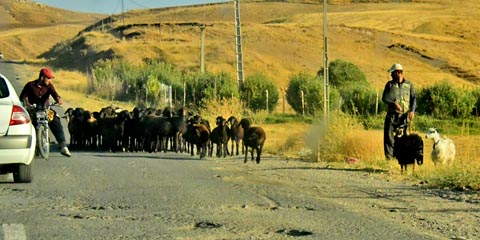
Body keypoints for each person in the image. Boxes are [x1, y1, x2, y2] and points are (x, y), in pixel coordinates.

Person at [20, 68, 71, 157]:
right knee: (27, 123)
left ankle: (63, 145)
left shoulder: (49, 86)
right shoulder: (30, 85)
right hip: (33, 110)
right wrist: (27, 104)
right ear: (42, 77)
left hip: (45, 109)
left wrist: (58, 99)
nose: (50, 80)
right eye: (48, 78)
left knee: (55, 120)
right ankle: (30, 147)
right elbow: (22, 97)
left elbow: (55, 94)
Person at [382, 63, 416, 161]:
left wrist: (412, 111)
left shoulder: (409, 85)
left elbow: (413, 99)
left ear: (398, 72)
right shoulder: (389, 85)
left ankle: (401, 160)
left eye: (392, 73)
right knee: (389, 138)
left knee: (403, 139)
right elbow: (384, 98)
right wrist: (393, 104)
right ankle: (389, 160)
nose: (391, 75)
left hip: (404, 117)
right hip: (391, 116)